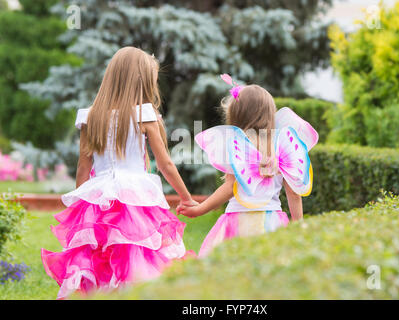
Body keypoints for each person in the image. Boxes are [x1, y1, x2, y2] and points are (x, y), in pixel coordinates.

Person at [41, 47, 197, 299]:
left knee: (100, 257)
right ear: (141, 81)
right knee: (137, 253)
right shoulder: (145, 114)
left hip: (99, 195)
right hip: (134, 197)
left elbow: (84, 167)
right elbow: (165, 163)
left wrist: (81, 209)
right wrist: (186, 197)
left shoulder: (91, 117)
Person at [177, 75, 318, 257]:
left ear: (236, 117)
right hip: (271, 219)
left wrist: (199, 209)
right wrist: (299, 224)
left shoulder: (239, 147)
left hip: (239, 220)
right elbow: (293, 193)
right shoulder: (282, 146)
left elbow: (229, 187)